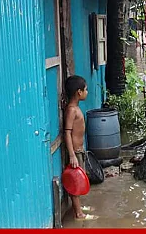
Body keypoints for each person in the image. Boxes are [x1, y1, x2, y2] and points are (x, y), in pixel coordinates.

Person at [63, 75, 97, 220]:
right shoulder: (72, 110)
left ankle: (78, 207)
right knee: (75, 182)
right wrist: (71, 155)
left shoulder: (75, 108)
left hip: (79, 151)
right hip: (75, 152)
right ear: (79, 92)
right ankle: (79, 214)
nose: (87, 92)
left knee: (78, 180)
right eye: (86, 90)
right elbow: (67, 132)